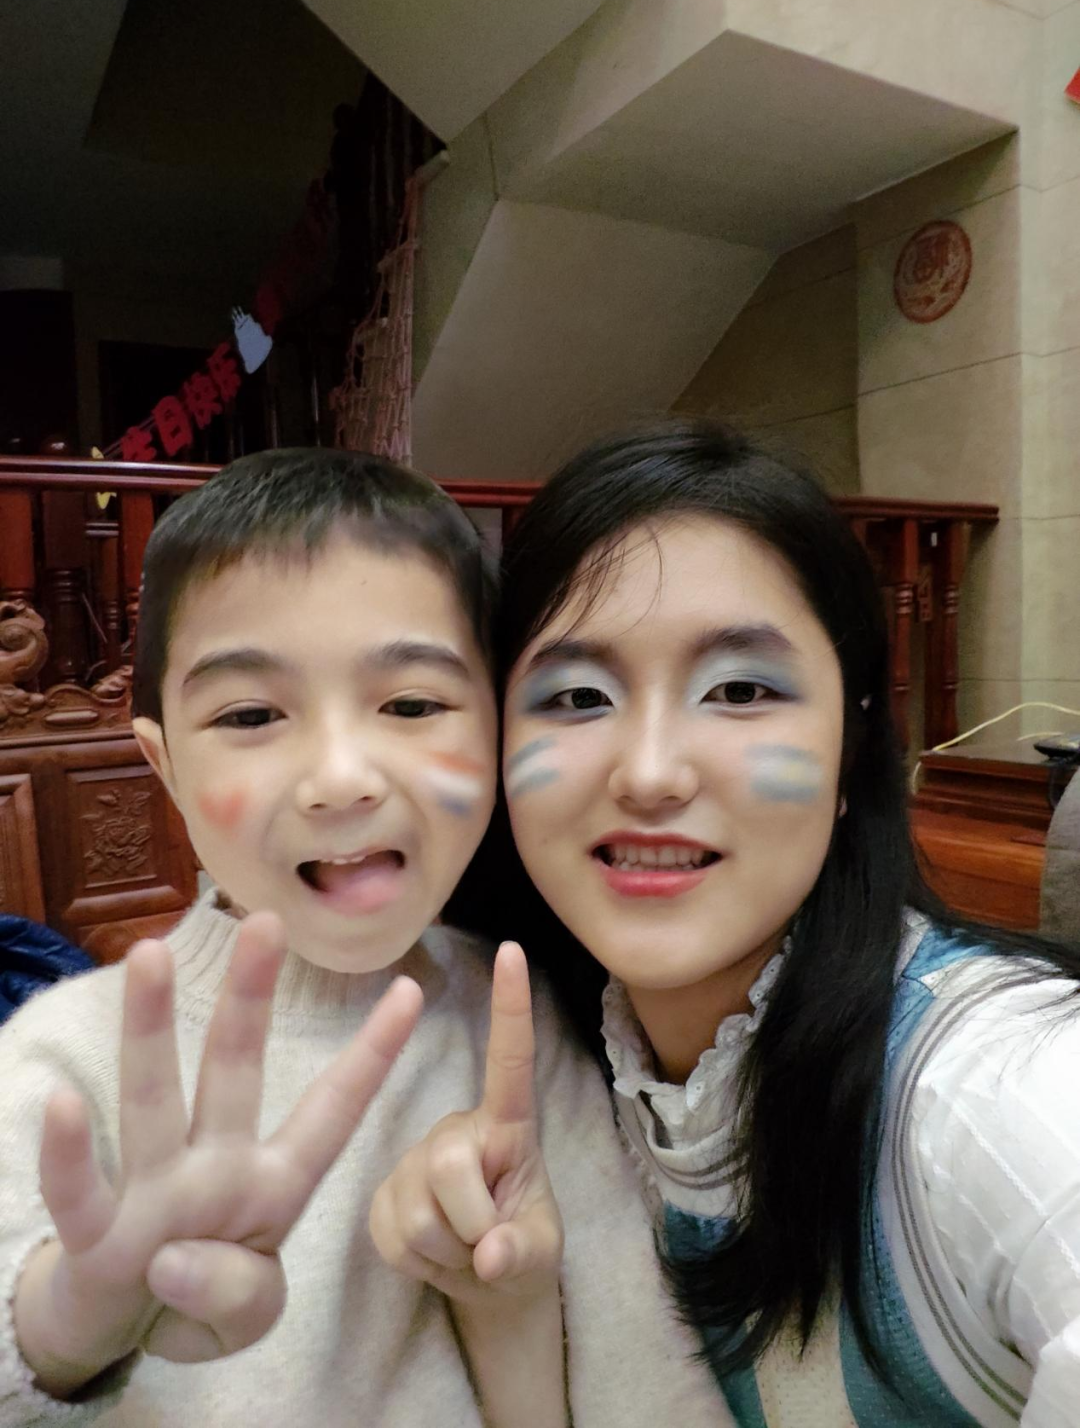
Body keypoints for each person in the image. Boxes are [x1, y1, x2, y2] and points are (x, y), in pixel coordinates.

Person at [0, 449, 724, 1428]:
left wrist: (511, 1301)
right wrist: (65, 1328)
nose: (341, 777)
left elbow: (644, 1372)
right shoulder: (64, 1055)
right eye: (251, 713)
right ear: (164, 766)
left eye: (412, 704)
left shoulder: (512, 1016)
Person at [435, 420, 1080, 1425]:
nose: (651, 773)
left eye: (739, 689)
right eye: (578, 694)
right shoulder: (535, 1071)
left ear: (850, 743)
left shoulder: (995, 1087)